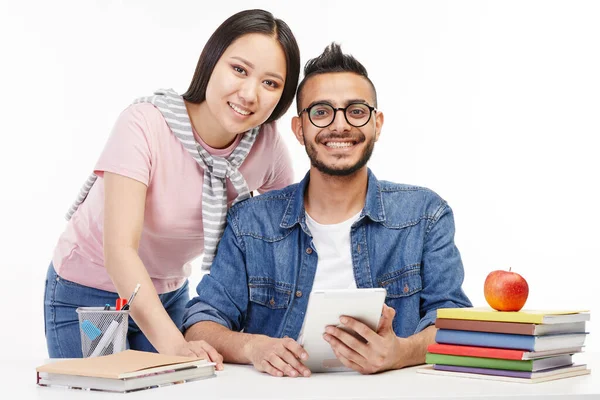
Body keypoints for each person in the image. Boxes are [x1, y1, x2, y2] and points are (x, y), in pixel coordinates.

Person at [181, 43, 472, 377]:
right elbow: (201, 324)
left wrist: (401, 353)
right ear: (299, 129)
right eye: (321, 112)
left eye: (357, 111)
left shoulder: (425, 214)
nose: (340, 126)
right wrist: (252, 347)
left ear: (377, 124)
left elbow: (453, 320)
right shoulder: (251, 222)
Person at [44, 9, 301, 364]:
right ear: (211, 60)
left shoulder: (266, 145)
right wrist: (176, 346)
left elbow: (286, 243)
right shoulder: (145, 124)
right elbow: (119, 251)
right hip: (92, 292)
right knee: (104, 389)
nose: (249, 93)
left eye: (270, 83)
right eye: (239, 69)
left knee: (175, 389)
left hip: (170, 295)